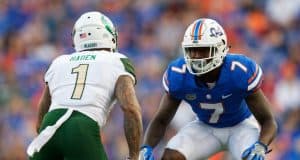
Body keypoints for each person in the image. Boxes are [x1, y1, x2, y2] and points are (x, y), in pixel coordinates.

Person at [139, 18, 277, 160]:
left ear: (220, 48)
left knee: (252, 157)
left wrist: (261, 146)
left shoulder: (239, 71)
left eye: (203, 50)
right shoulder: (179, 74)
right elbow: (162, 119)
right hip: (205, 127)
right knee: (170, 157)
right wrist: (146, 147)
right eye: (192, 51)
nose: (196, 57)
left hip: (242, 127)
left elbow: (268, 121)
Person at [27, 11, 143, 160]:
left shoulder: (59, 61)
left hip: (50, 125)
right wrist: (134, 155)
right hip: (83, 127)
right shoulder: (116, 60)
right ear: (108, 35)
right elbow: (130, 109)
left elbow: (41, 115)